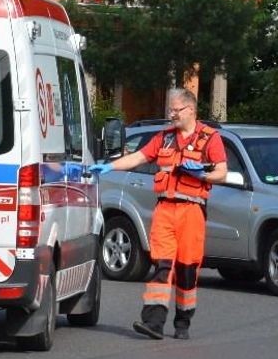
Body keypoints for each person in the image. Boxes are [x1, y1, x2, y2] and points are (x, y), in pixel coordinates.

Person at [89, 88, 228, 341]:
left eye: (176, 110)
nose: (171, 114)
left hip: (192, 211)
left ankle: (183, 321)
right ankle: (153, 322)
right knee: (162, 265)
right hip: (165, 209)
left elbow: (222, 172)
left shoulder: (210, 138)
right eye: (170, 110)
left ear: (191, 110)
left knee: (187, 269)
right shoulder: (164, 138)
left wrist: (203, 175)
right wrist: (109, 167)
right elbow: (139, 157)